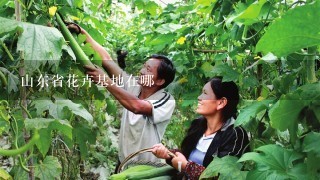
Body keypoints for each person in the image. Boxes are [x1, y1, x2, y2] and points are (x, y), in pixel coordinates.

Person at [68, 25, 176, 164]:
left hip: (145, 170)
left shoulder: (166, 100)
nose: (142, 71)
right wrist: (81, 31)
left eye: (148, 69)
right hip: (124, 163)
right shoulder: (134, 86)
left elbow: (136, 106)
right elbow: (107, 61)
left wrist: (105, 80)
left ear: (160, 80)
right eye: (143, 66)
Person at [152, 77, 249, 180]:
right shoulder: (198, 124)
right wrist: (168, 154)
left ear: (221, 102)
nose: (199, 97)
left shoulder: (235, 134)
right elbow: (185, 156)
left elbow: (224, 176)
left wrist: (185, 167)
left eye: (205, 93)